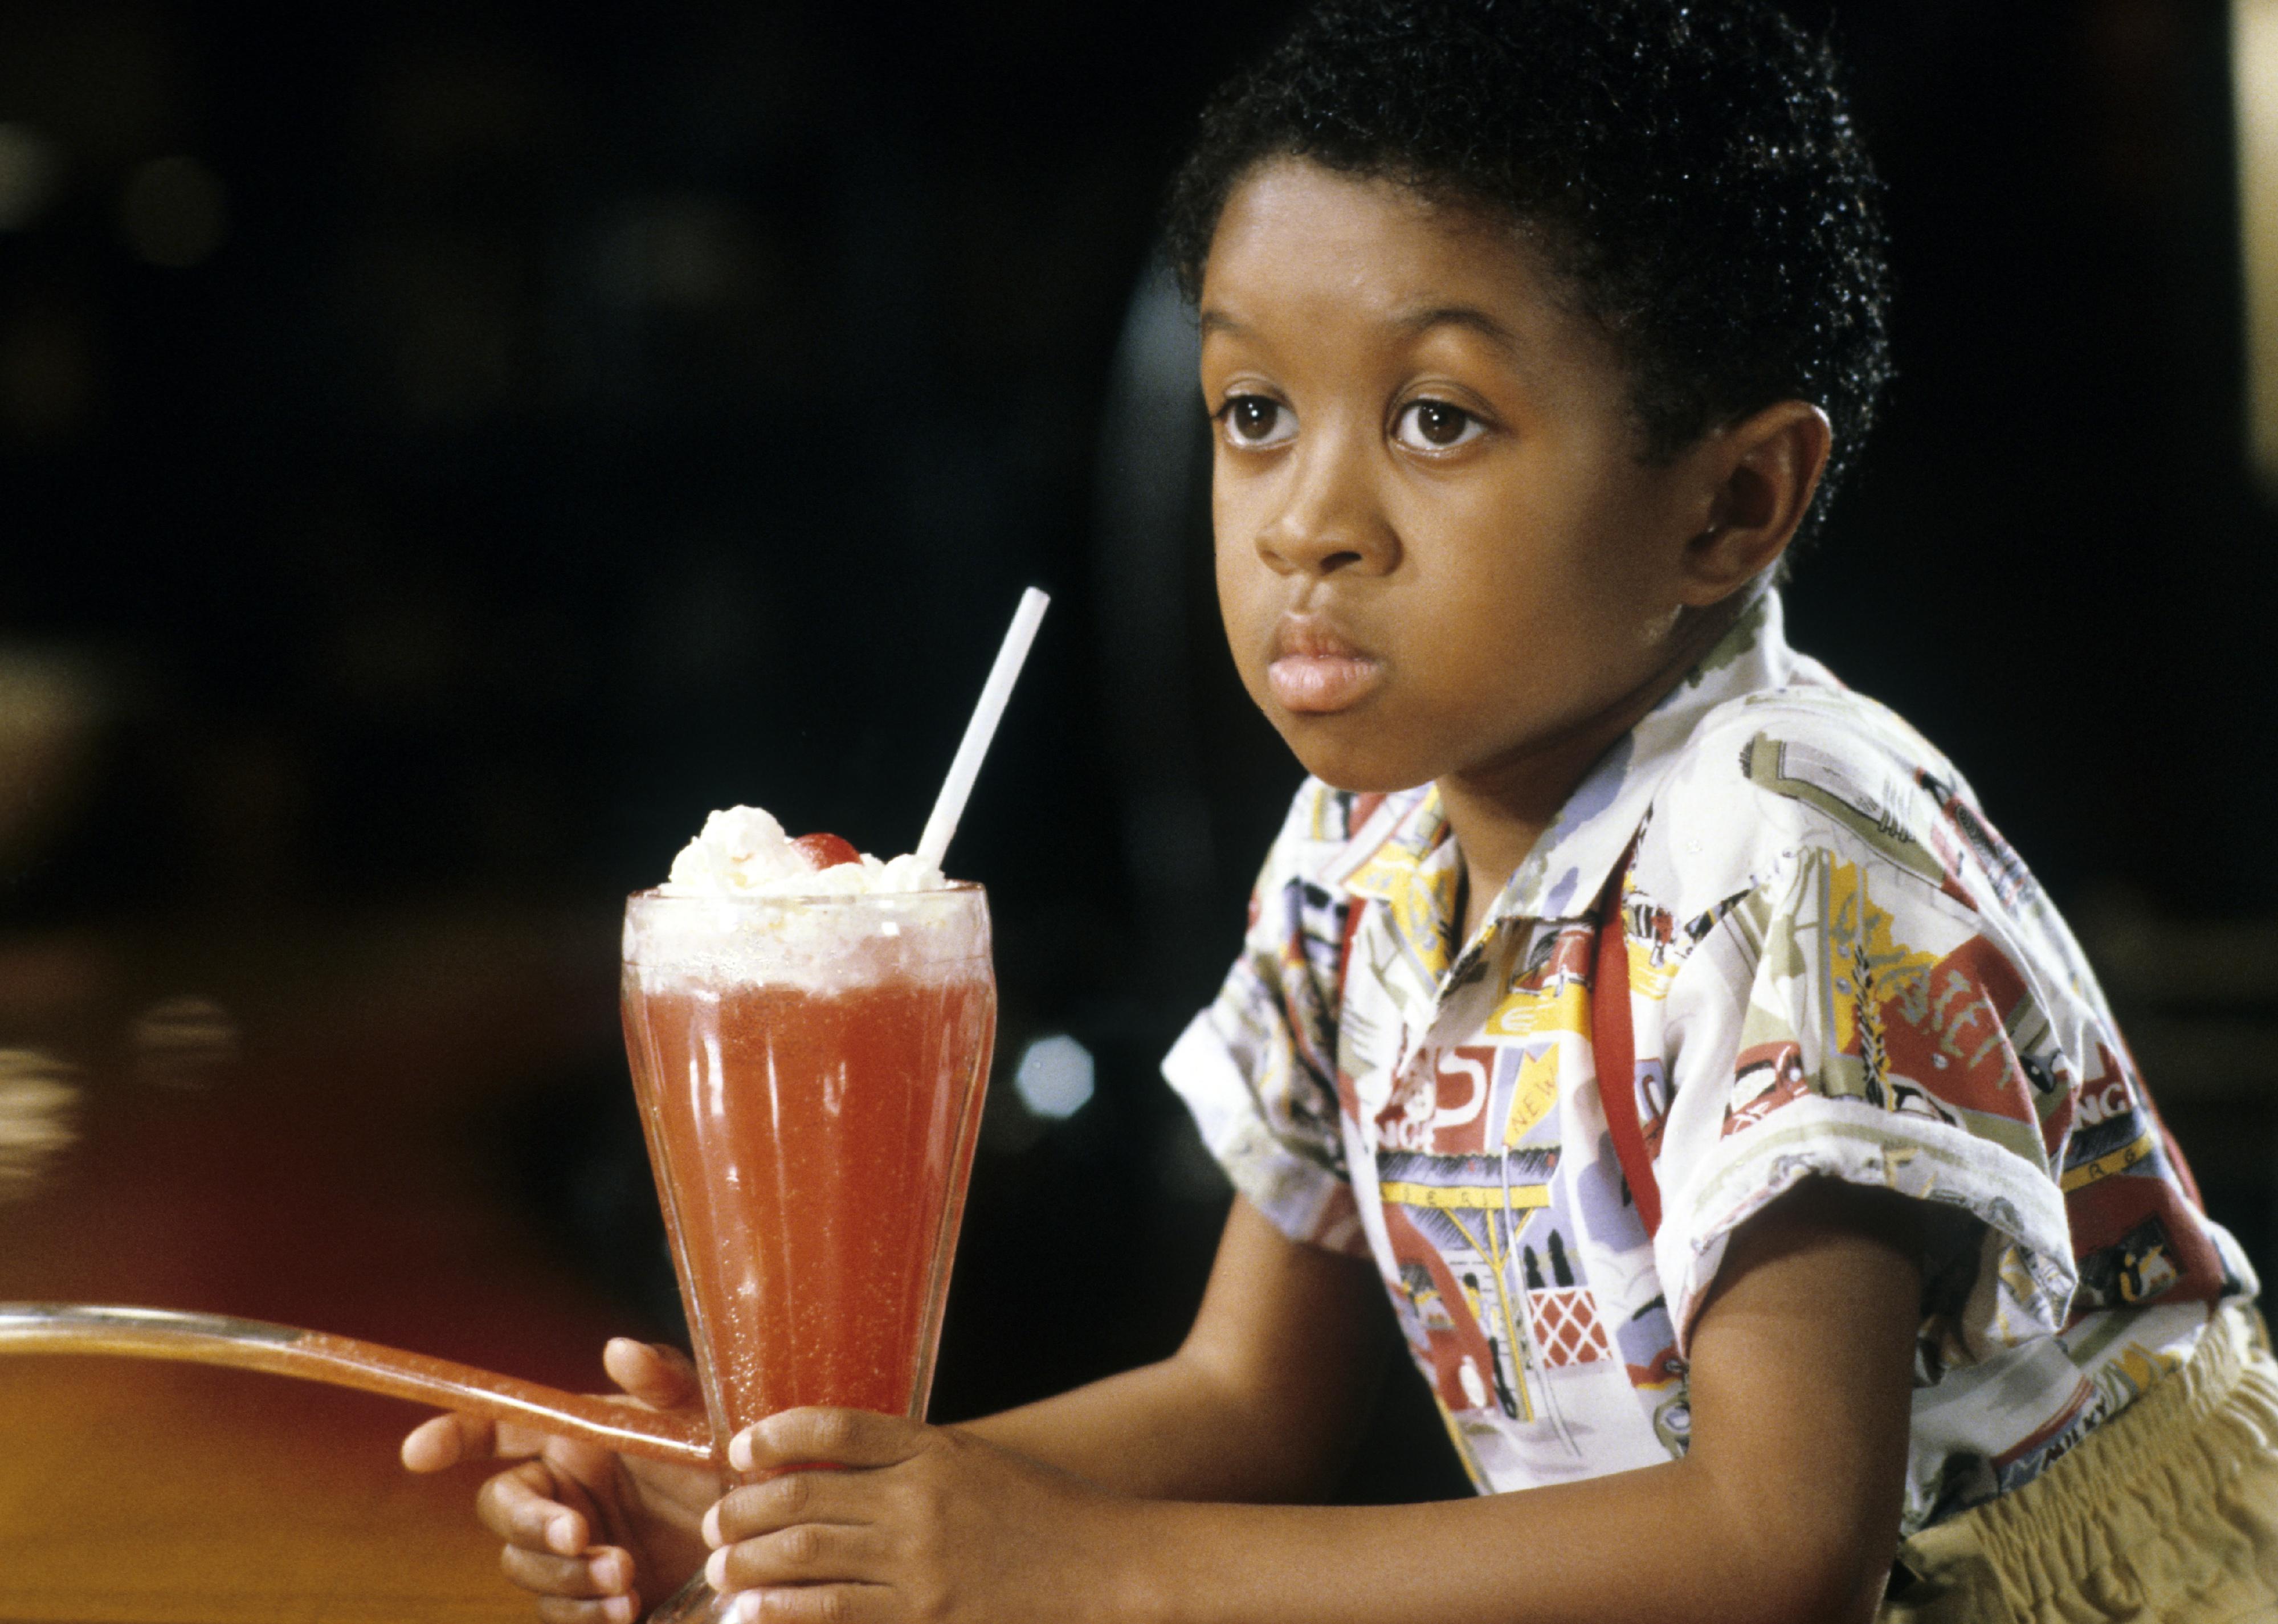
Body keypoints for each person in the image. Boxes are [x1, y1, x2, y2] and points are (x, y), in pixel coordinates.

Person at [402, 2, 2278, 1619]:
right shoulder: (1361, 858)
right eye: (1251, 413)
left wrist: (1075, 1573)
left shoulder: (1783, 857)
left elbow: (1777, 1546)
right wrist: (806, 1521)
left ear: (1731, 507)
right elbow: (1244, 1395)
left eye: (1439, 417)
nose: (1309, 520)